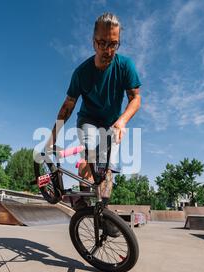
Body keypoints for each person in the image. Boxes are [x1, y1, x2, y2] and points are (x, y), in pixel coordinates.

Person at [45, 12, 142, 211]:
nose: (107, 50)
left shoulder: (125, 66)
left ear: (118, 43)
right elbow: (68, 107)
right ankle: (81, 199)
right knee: (90, 151)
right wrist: (52, 137)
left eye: (113, 44)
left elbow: (135, 98)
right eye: (102, 43)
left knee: (107, 167)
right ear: (93, 42)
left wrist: (122, 121)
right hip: (88, 119)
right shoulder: (82, 73)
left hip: (112, 122)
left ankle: (102, 209)